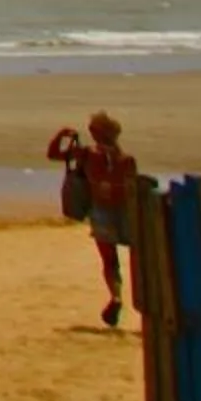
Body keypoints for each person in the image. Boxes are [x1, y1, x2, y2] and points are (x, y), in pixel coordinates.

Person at [47, 112, 138, 326]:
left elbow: (53, 154)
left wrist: (61, 135)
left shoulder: (88, 154)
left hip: (102, 211)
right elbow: (133, 188)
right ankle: (132, 298)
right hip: (124, 211)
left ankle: (116, 297)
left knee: (110, 260)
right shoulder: (126, 160)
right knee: (134, 256)